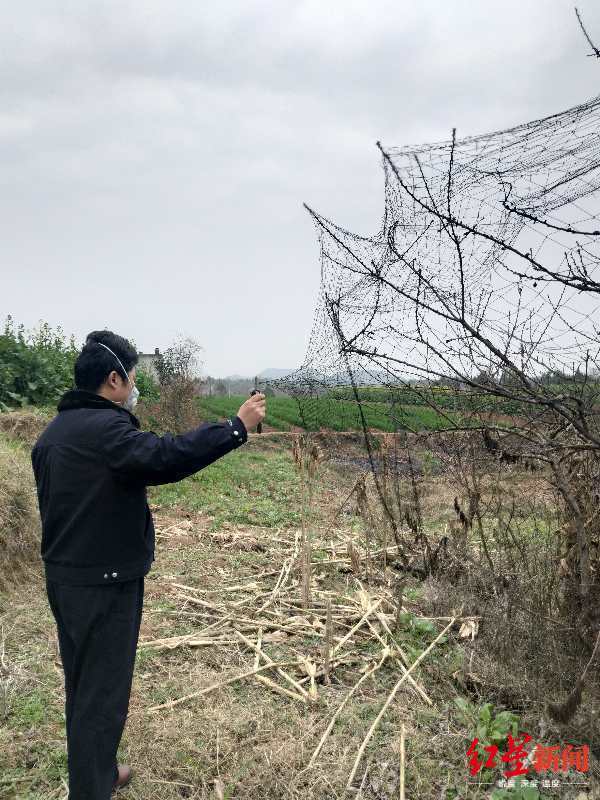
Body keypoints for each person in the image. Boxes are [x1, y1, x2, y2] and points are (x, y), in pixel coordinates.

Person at [30, 330, 266, 800]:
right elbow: (166, 455)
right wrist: (235, 427)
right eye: (133, 378)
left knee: (84, 688)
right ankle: (91, 790)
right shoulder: (108, 432)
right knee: (102, 698)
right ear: (114, 380)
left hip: (66, 580)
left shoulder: (53, 434)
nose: (135, 387)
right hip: (104, 586)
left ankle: (98, 773)